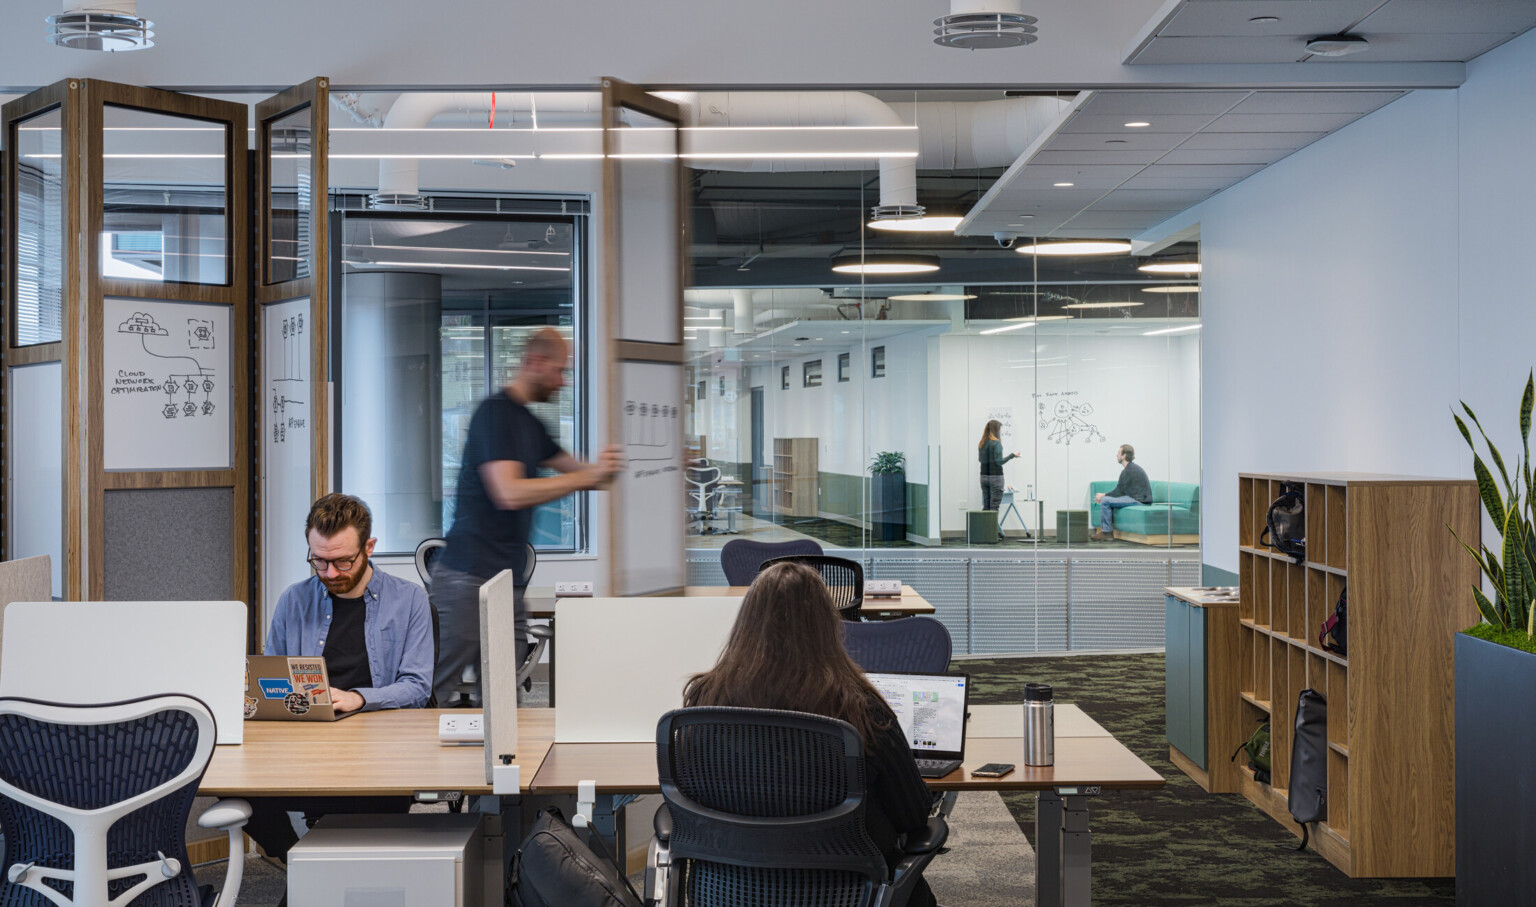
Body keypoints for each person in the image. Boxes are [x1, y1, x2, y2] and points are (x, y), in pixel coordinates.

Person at [682, 562, 940, 907]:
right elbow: (912, 815)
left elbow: (688, 801)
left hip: (727, 889)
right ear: (828, 626)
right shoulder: (858, 708)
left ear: (746, 623)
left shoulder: (704, 701)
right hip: (845, 892)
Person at [432, 327, 623, 706]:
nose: (562, 381)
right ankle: (401, 759)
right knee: (435, 687)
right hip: (468, 578)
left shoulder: (532, 425)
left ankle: (503, 765)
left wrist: (641, 461)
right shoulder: (495, 414)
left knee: (503, 698)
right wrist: (586, 476)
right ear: (535, 363)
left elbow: (586, 476)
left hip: (505, 583)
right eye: (558, 370)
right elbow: (510, 492)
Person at [246, 492, 434, 864]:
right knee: (241, 792)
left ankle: (321, 876)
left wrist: (358, 699)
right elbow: (271, 681)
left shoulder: (409, 599)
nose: (331, 574)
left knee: (364, 839)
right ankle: (300, 863)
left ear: (369, 548)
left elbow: (417, 686)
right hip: (306, 748)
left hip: (380, 751)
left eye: (343, 561)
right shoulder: (294, 600)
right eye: (320, 561)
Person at [1094, 443, 1152, 540]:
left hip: (1139, 500)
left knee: (1105, 501)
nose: (1116, 455)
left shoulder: (1129, 470)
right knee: (1107, 499)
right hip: (1138, 498)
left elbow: (1119, 491)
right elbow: (1122, 490)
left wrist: (1103, 496)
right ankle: (1106, 531)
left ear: (1124, 456)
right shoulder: (1131, 468)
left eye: (1118, 453)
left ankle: (1107, 533)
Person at [978, 420, 1019, 539]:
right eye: (1000, 429)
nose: (1001, 431)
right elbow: (999, 462)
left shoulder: (982, 443)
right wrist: (1012, 455)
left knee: (986, 506)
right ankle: (991, 534)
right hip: (996, 478)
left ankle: (984, 533)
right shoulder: (996, 443)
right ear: (996, 430)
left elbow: (981, 460)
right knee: (994, 507)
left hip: (983, 477)